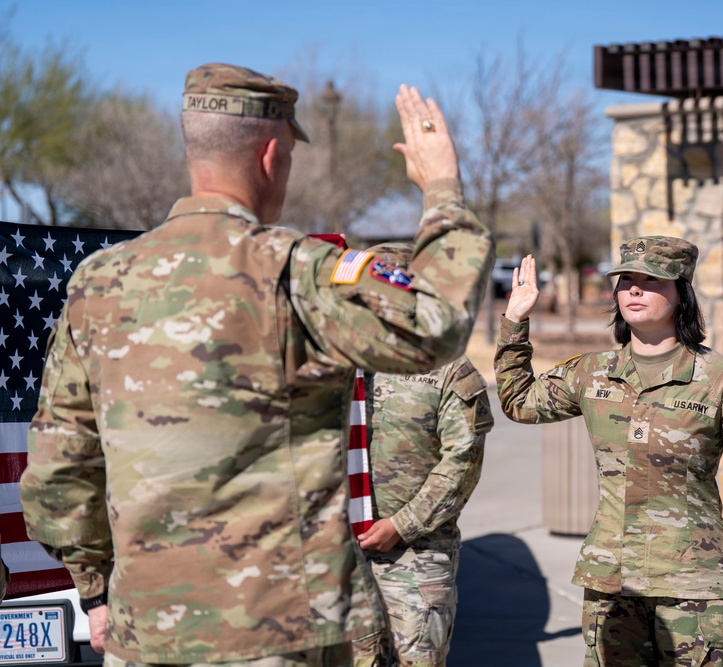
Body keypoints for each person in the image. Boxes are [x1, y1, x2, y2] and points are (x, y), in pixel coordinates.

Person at [19, 63, 493, 666]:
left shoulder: (99, 281)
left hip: (143, 632)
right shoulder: (299, 272)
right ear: (272, 156)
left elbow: (59, 463)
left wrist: (94, 593)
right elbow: (437, 322)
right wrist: (442, 187)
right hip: (282, 638)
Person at [494, 237, 723, 666]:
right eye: (626, 279)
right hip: (611, 586)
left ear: (682, 293)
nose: (634, 289)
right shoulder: (593, 373)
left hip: (698, 590)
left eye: (652, 281)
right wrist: (515, 322)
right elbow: (519, 403)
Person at [349, 243, 494, 667]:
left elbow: (462, 462)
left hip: (415, 557)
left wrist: (402, 524)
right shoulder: (339, 363)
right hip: (340, 555)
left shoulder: (450, 369)